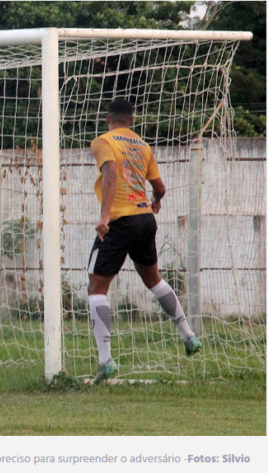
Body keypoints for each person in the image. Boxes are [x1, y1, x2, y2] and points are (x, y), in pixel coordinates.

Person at [87, 98, 202, 383]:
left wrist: (104, 217)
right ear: (133, 120)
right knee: (154, 280)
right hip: (145, 220)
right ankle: (188, 335)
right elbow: (160, 187)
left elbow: (111, 173)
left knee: (96, 288)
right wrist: (156, 200)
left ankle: (106, 361)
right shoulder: (142, 145)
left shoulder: (102, 141)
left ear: (107, 119)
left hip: (118, 221)